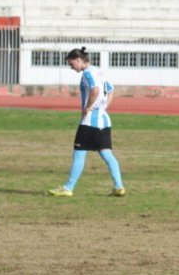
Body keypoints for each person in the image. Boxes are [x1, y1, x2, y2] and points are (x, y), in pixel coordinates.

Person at [48, 47, 126, 197]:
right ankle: (119, 187)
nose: (71, 68)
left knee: (78, 154)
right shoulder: (98, 71)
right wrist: (104, 107)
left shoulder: (88, 73)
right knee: (107, 154)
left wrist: (88, 107)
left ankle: (68, 188)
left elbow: (95, 90)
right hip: (104, 120)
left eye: (72, 64)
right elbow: (110, 89)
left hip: (89, 122)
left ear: (78, 60)